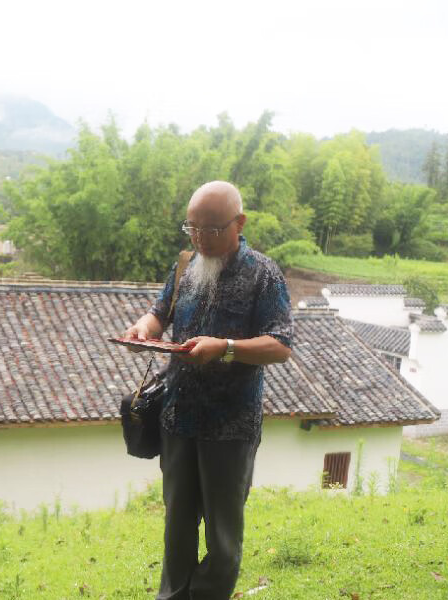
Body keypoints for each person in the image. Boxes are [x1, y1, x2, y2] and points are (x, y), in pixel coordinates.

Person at [123, 180, 293, 600]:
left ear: (240, 223)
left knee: (222, 536)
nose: (201, 238)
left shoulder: (263, 275)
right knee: (177, 523)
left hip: (231, 424)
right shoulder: (186, 265)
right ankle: (173, 594)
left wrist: (227, 348)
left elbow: (281, 345)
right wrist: (145, 328)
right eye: (192, 228)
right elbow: (160, 311)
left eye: (212, 229)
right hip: (178, 416)